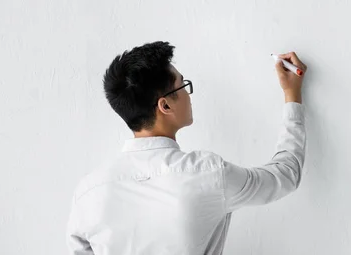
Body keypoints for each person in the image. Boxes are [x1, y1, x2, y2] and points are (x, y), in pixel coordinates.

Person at [66, 41, 307, 255]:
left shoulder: (89, 192)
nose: (188, 95)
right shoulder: (208, 174)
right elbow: (285, 175)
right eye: (183, 86)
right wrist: (291, 94)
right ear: (165, 106)